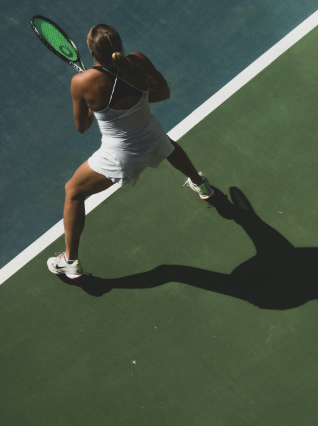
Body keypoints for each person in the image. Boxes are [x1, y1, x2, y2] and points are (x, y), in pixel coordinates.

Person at [47, 24, 213, 280]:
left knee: (73, 191)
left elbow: (82, 127)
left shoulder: (81, 82)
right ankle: (202, 185)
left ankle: (70, 261)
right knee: (166, 144)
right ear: (118, 45)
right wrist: (136, 104)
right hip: (153, 137)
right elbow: (163, 92)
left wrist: (95, 107)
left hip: (120, 157)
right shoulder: (137, 60)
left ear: (91, 51)